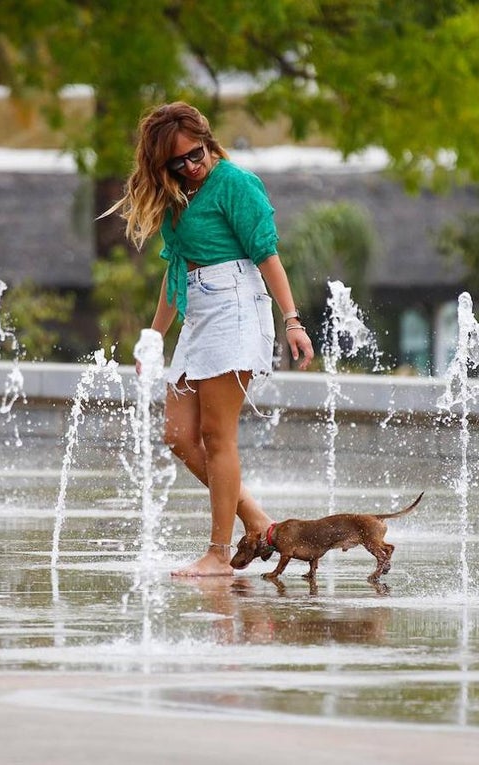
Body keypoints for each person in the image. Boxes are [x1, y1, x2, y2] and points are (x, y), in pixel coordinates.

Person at [105, 102, 315, 576]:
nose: (189, 167)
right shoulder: (180, 196)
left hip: (235, 307)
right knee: (178, 435)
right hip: (199, 311)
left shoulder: (235, 183)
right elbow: (174, 270)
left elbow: (267, 255)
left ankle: (219, 555)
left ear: (208, 138)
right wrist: (154, 336)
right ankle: (257, 520)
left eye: (194, 155)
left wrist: (293, 320)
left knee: (217, 436)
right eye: (175, 163)